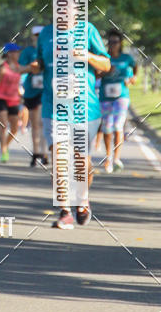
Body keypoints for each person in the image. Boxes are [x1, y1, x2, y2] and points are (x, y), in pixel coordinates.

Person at [32, 15, 110, 229]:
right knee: (58, 157)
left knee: (81, 161)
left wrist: (86, 55)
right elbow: (40, 62)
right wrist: (35, 66)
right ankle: (65, 211)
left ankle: (82, 200)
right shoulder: (47, 33)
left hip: (84, 107)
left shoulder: (88, 30)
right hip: (53, 105)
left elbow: (106, 63)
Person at [99, 29, 137, 173]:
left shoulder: (126, 58)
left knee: (118, 125)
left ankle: (116, 159)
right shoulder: (104, 58)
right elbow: (96, 74)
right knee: (107, 128)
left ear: (120, 43)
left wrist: (133, 78)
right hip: (105, 96)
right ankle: (108, 157)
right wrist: (105, 72)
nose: (113, 44)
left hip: (122, 96)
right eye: (110, 42)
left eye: (115, 42)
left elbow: (135, 66)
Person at [19, 26, 48, 166]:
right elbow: (20, 69)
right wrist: (33, 67)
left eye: (40, 35)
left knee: (44, 121)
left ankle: (45, 152)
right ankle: (36, 152)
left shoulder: (49, 49)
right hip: (31, 90)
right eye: (36, 35)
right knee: (35, 123)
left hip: (47, 90)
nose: (38, 37)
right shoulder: (28, 52)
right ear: (32, 37)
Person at [0, 43, 25, 162]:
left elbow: (30, 69)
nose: (18, 54)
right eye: (16, 52)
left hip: (14, 100)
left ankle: (5, 145)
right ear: (9, 54)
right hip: (1, 99)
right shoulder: (3, 68)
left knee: (15, 128)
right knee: (3, 126)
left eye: (18, 52)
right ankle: (4, 151)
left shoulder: (18, 67)